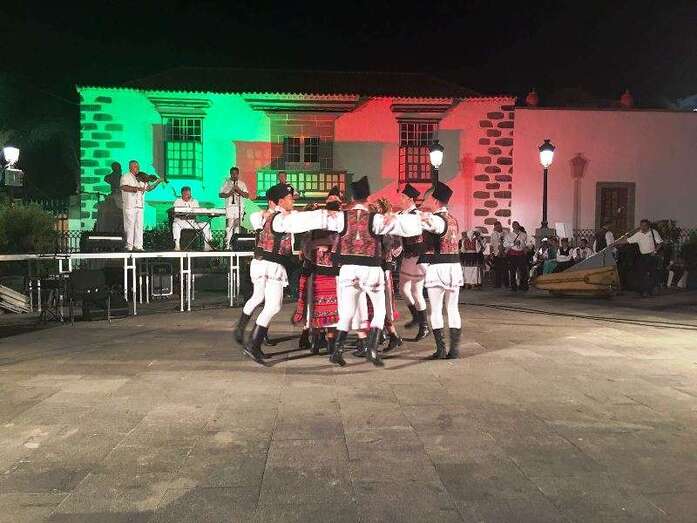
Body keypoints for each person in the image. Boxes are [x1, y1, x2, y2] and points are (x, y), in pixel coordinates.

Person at [326, 176, 423, 367]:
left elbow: (325, 227)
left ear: (352, 198)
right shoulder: (376, 218)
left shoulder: (341, 217)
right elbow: (402, 230)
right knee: (380, 310)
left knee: (347, 312)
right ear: (368, 198)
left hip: (348, 270)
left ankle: (337, 351)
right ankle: (371, 348)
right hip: (371, 268)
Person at [232, 184, 329, 363]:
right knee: (273, 306)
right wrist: (326, 215)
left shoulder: (274, 216)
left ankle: (245, 333)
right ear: (280, 201)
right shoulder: (281, 219)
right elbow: (301, 221)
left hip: (261, 263)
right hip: (271, 265)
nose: (293, 201)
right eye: (290, 198)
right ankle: (253, 344)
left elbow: (295, 217)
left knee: (261, 299)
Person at [419, 182, 464, 359]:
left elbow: (430, 226)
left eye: (428, 198)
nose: (425, 201)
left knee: (436, 309)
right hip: (454, 266)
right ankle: (454, 350)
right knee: (453, 308)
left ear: (435, 200)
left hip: (438, 267)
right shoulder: (453, 220)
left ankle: (441, 349)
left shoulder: (437, 220)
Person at [397, 184, 429, 340]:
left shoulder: (417, 215)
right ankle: (416, 316)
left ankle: (424, 326)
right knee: (403, 289)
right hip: (408, 255)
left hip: (418, 256)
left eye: (403, 197)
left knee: (416, 291)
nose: (400, 199)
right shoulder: (401, 214)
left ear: (410, 199)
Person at [615, 219, 663, 297]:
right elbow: (627, 240)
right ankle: (644, 291)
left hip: (652, 256)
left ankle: (653, 289)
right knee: (641, 274)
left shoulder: (653, 232)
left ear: (648, 226)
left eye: (644, 225)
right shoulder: (638, 234)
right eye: (641, 225)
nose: (643, 227)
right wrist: (615, 243)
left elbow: (660, 243)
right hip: (643, 256)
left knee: (653, 273)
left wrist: (655, 251)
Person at [120, 160, 161, 251]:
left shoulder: (142, 178)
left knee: (139, 226)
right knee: (130, 226)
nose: (137, 168)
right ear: (130, 167)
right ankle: (129, 246)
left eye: (138, 166)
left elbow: (148, 189)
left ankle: (138, 246)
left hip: (140, 206)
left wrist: (157, 182)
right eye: (135, 166)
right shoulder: (125, 176)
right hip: (130, 205)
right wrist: (136, 188)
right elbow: (123, 187)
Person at [172, 186, 213, 251]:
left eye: (189, 194)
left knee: (206, 225)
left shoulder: (194, 201)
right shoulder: (177, 201)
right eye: (186, 194)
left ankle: (207, 245)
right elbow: (175, 213)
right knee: (175, 225)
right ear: (182, 194)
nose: (188, 196)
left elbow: (197, 213)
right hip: (181, 223)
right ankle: (177, 245)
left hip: (192, 222)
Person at [219, 167, 249, 249]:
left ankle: (236, 244)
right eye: (232, 173)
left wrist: (238, 190)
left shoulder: (242, 184)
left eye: (235, 173)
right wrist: (229, 193)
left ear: (238, 174)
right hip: (229, 207)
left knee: (237, 226)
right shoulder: (226, 183)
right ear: (230, 174)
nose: (234, 175)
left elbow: (247, 195)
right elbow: (220, 194)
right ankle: (227, 245)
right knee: (229, 225)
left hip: (239, 206)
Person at [504, 221, 528, 291]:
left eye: (516, 225)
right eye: (514, 225)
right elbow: (505, 244)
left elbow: (526, 243)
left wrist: (524, 247)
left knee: (523, 271)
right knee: (513, 271)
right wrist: (513, 243)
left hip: (521, 254)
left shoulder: (523, 234)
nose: (515, 226)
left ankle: (523, 285)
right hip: (513, 254)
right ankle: (513, 286)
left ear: (518, 226)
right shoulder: (509, 235)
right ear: (512, 226)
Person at [488, 221, 509, 288]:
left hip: (505, 253)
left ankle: (506, 284)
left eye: (498, 227)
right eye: (496, 227)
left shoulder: (506, 233)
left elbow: (508, 243)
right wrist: (491, 253)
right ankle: (498, 284)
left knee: (505, 269)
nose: (497, 228)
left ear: (501, 226)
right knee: (497, 270)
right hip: (497, 253)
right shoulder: (493, 234)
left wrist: (506, 252)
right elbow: (491, 245)